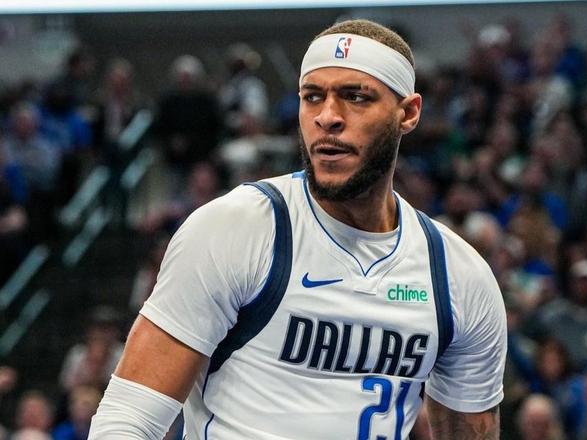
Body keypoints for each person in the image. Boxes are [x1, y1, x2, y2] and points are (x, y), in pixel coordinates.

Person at [89, 19, 507, 439]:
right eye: (313, 97)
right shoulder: (237, 229)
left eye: (355, 97)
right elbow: (127, 419)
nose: (328, 117)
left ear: (408, 113)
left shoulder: (458, 274)